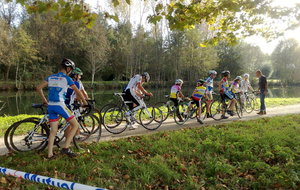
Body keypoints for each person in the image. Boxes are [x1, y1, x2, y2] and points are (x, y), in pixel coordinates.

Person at [36, 58, 87, 159]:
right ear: (68, 68)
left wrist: (44, 100)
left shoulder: (50, 77)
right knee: (75, 124)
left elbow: (38, 88)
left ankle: (50, 154)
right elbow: (78, 91)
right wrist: (85, 102)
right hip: (60, 105)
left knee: (53, 131)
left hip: (51, 106)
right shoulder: (67, 79)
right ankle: (66, 148)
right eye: (71, 69)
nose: (71, 71)